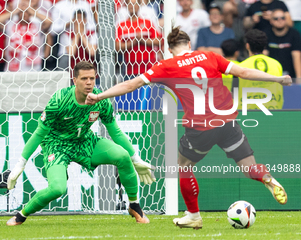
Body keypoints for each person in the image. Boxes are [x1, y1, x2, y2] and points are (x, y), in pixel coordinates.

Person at [85, 27, 291, 229]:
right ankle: (265, 176)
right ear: (190, 44)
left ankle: (193, 215)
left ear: (170, 49)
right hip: (228, 122)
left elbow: (131, 84)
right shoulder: (209, 56)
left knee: (183, 166)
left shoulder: (166, 65)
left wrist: (100, 95)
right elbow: (244, 72)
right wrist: (278, 79)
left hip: (201, 127)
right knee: (248, 168)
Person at [6, 61, 155, 226]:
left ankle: (134, 205)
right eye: (84, 78)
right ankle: (22, 214)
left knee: (122, 155)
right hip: (57, 145)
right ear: (74, 80)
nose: (89, 82)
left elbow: (116, 132)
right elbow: (39, 133)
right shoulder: (59, 100)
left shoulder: (101, 100)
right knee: (57, 189)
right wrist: (21, 164)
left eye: (92, 78)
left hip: (84, 141)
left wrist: (135, 159)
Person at [239, 29, 284, 109]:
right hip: (273, 112)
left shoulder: (241, 66)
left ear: (247, 45)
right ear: (264, 46)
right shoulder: (276, 64)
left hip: (249, 115)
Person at [264, 8, 301, 78]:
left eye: (282, 18)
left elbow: (296, 56)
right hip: (271, 75)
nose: (279, 20)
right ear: (271, 21)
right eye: (276, 18)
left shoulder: (294, 34)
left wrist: (299, 78)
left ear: (286, 19)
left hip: (290, 75)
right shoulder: (266, 34)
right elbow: (264, 56)